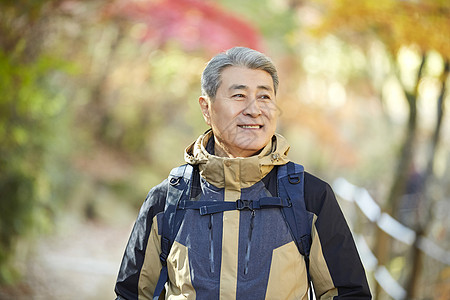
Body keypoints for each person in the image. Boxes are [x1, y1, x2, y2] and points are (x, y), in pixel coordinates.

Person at [114, 47, 371, 299]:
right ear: (206, 108)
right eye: (239, 96)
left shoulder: (310, 197)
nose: (254, 109)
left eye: (264, 97)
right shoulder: (167, 200)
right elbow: (131, 295)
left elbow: (347, 294)